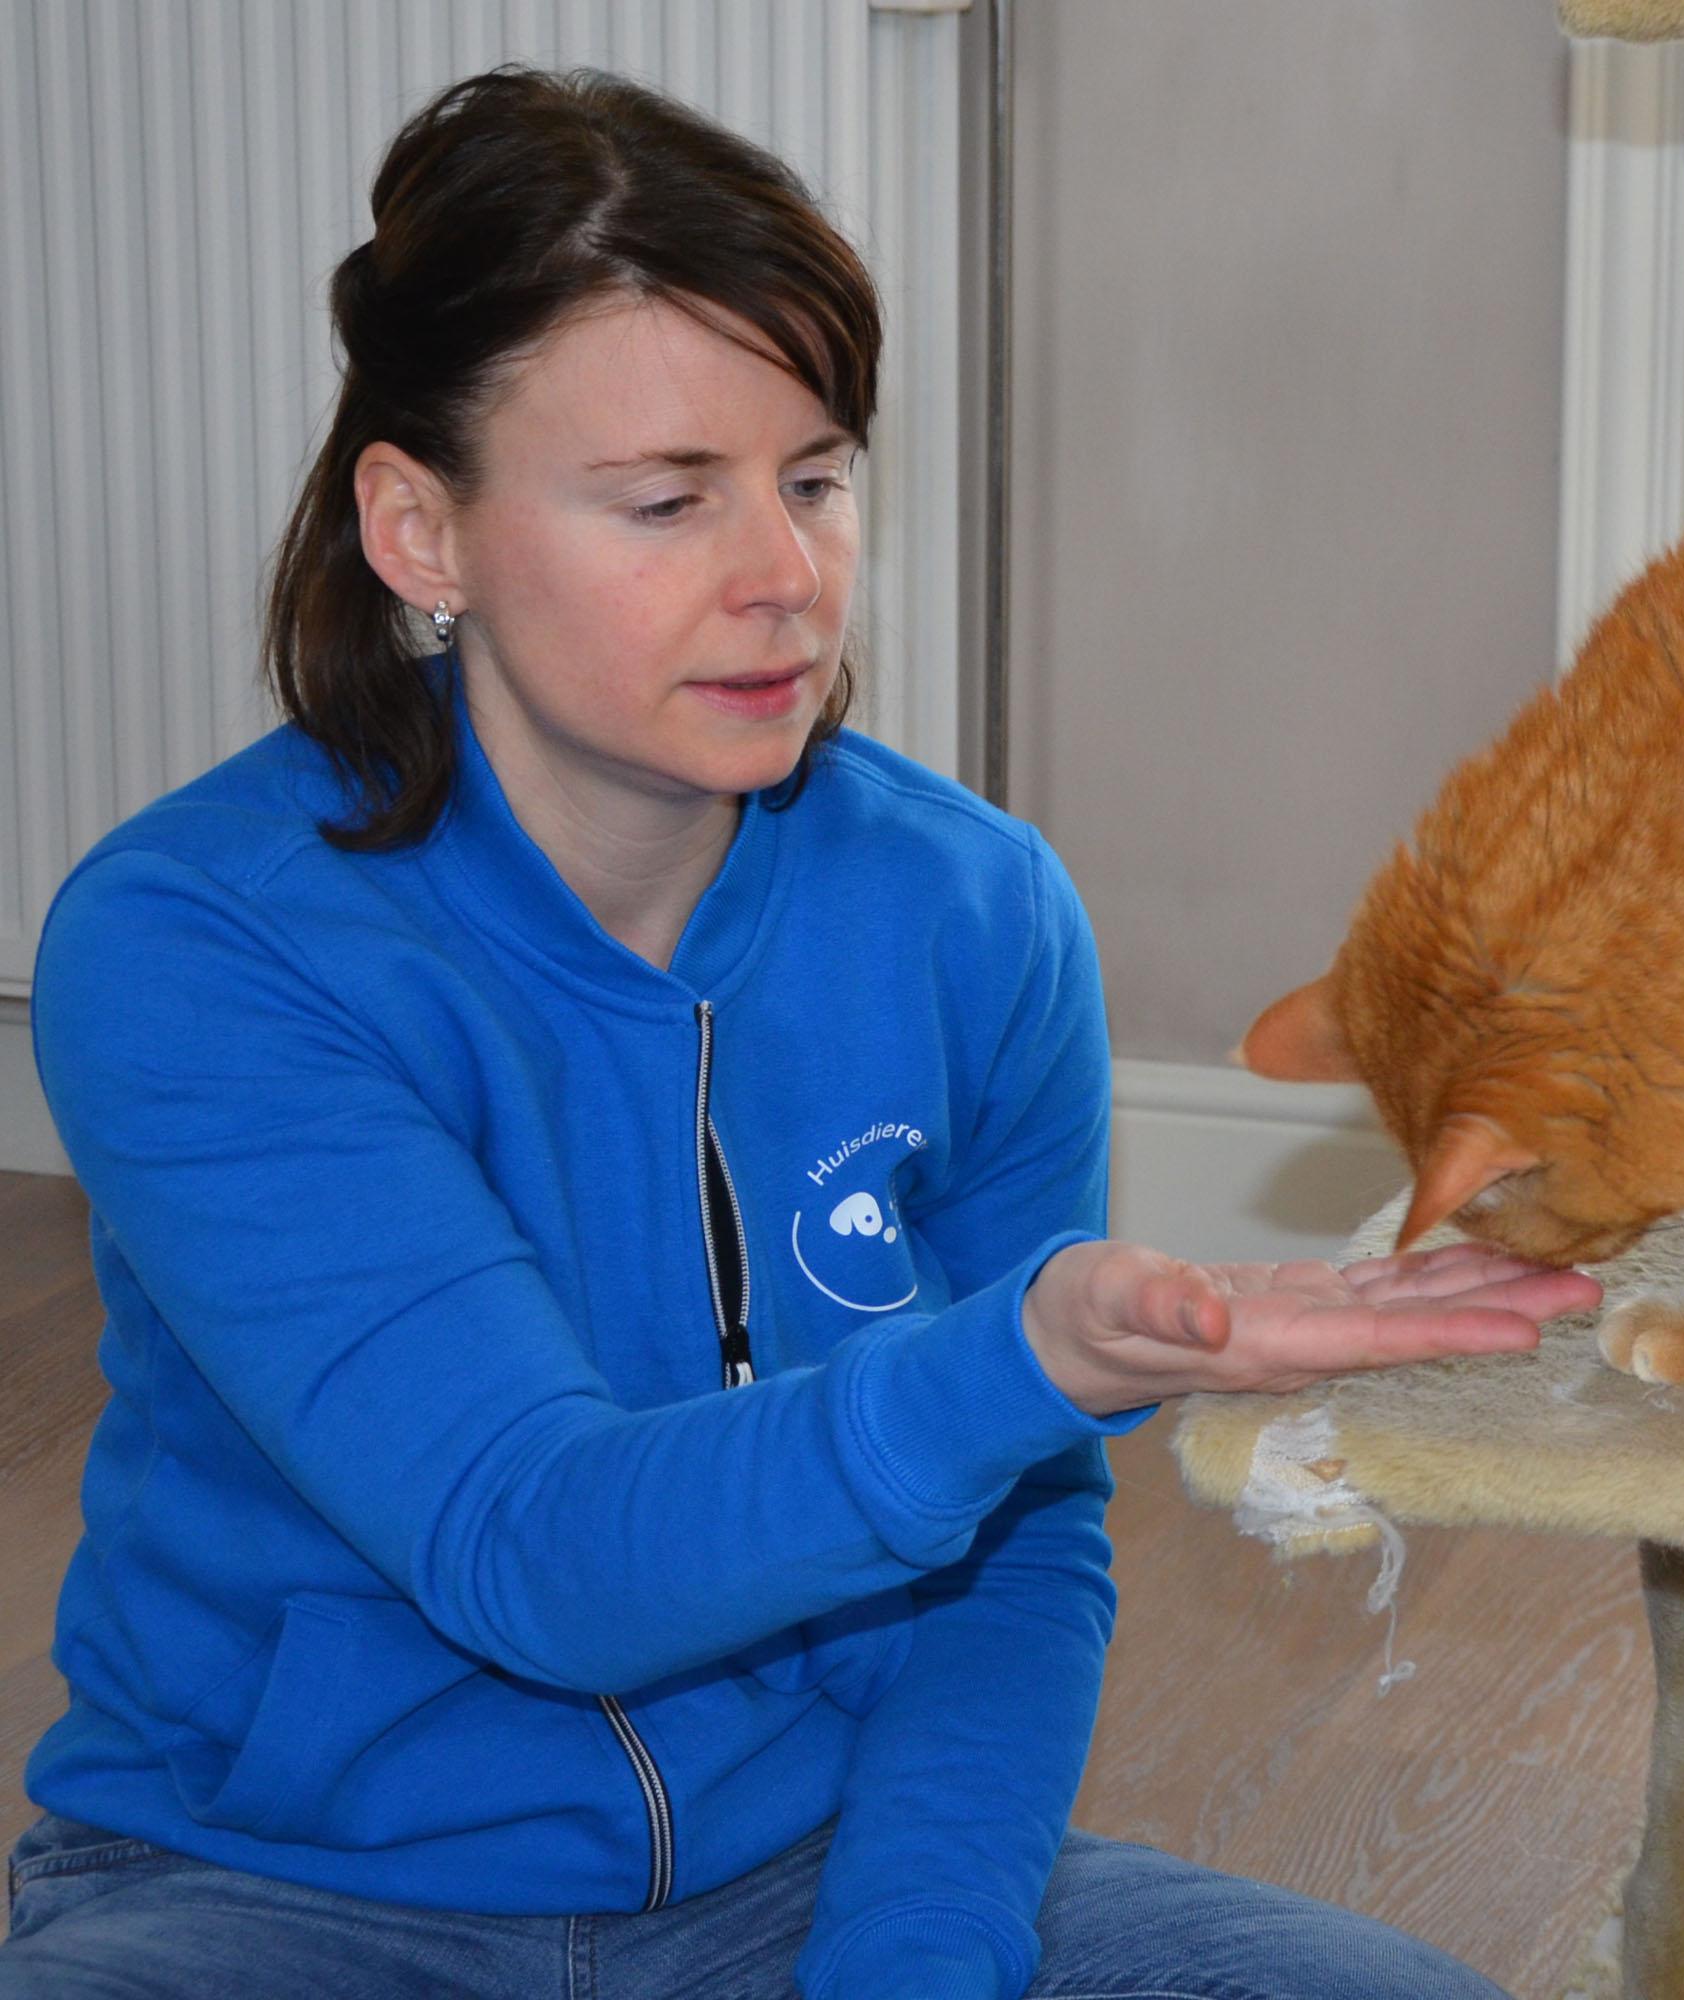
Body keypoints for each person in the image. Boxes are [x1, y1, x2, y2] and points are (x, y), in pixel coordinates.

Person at [0, 66, 1601, 2000]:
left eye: (816, 477)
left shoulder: (970, 907)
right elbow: (536, 1551)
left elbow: (1013, 1556)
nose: (784, 579)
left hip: (817, 1873)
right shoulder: (200, 945)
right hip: (281, 1902)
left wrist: (914, 1956)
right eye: (667, 500)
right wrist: (1019, 1361)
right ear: (420, 533)